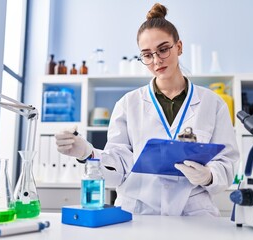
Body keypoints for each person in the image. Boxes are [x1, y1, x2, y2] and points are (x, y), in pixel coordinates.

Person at [55, 3, 239, 216]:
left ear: (179, 47)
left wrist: (208, 175)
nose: (156, 60)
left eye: (163, 49)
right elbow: (118, 169)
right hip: (138, 212)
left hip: (193, 213)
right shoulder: (128, 104)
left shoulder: (213, 104)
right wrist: (87, 154)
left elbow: (228, 162)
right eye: (147, 55)